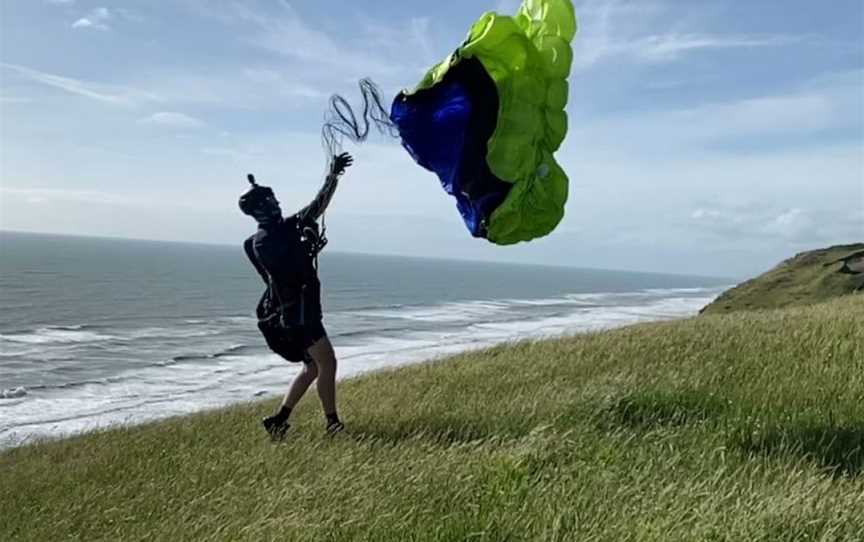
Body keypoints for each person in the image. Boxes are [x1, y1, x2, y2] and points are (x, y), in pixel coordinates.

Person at [239, 152, 353, 439]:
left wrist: (333, 176)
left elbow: (316, 207)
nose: (277, 204)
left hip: (298, 311)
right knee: (328, 362)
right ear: (262, 209)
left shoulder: (277, 232)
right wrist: (307, 243)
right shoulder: (264, 241)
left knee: (313, 367)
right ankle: (332, 424)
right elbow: (287, 268)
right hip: (299, 314)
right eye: (272, 201)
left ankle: (279, 419)